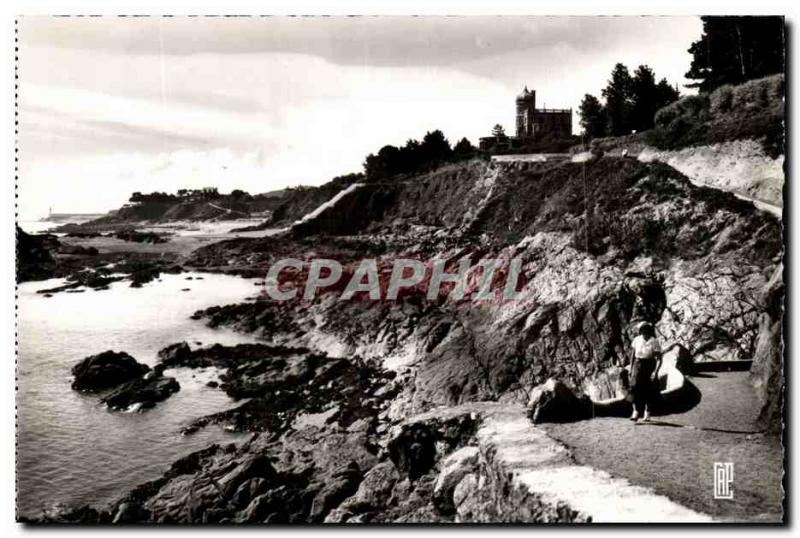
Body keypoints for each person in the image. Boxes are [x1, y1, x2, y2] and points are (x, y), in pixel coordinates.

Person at [629, 322, 662, 422]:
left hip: (649, 365)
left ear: (648, 330)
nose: (643, 332)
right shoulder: (637, 340)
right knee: (634, 388)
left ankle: (647, 412)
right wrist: (631, 369)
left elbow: (659, 358)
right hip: (637, 365)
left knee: (648, 389)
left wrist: (655, 372)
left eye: (644, 329)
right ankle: (635, 412)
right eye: (641, 330)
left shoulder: (654, 341)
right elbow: (632, 355)